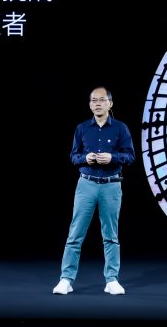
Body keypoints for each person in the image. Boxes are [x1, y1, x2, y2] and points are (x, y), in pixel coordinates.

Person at [52, 86, 136, 295]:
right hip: (86, 184)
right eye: (93, 100)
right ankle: (66, 279)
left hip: (111, 184)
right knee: (75, 234)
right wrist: (85, 158)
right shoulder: (82, 128)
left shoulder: (121, 128)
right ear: (90, 105)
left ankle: (112, 280)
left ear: (110, 103)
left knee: (111, 236)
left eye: (101, 100)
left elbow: (130, 156)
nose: (97, 104)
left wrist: (113, 158)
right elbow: (73, 156)